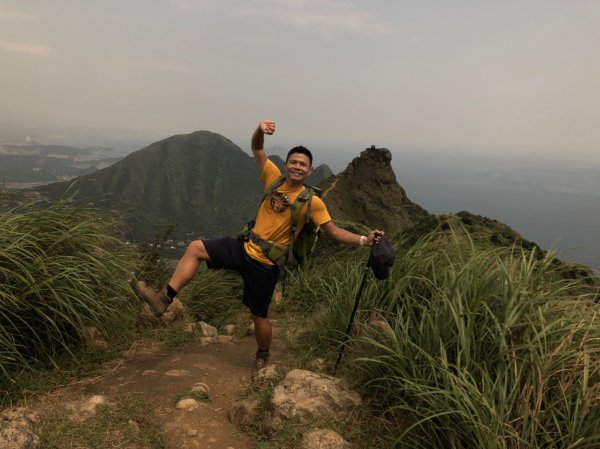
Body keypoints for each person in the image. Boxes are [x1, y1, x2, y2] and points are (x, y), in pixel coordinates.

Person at [136, 120, 384, 369]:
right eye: (294, 162)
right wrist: (259, 130)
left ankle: (263, 353)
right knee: (195, 248)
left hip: (265, 265)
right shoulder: (274, 179)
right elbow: (257, 148)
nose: (297, 167)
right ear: (286, 165)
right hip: (243, 247)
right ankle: (164, 299)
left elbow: (333, 231)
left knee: (259, 316)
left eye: (303, 165)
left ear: (309, 171)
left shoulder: (313, 203)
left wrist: (364, 240)